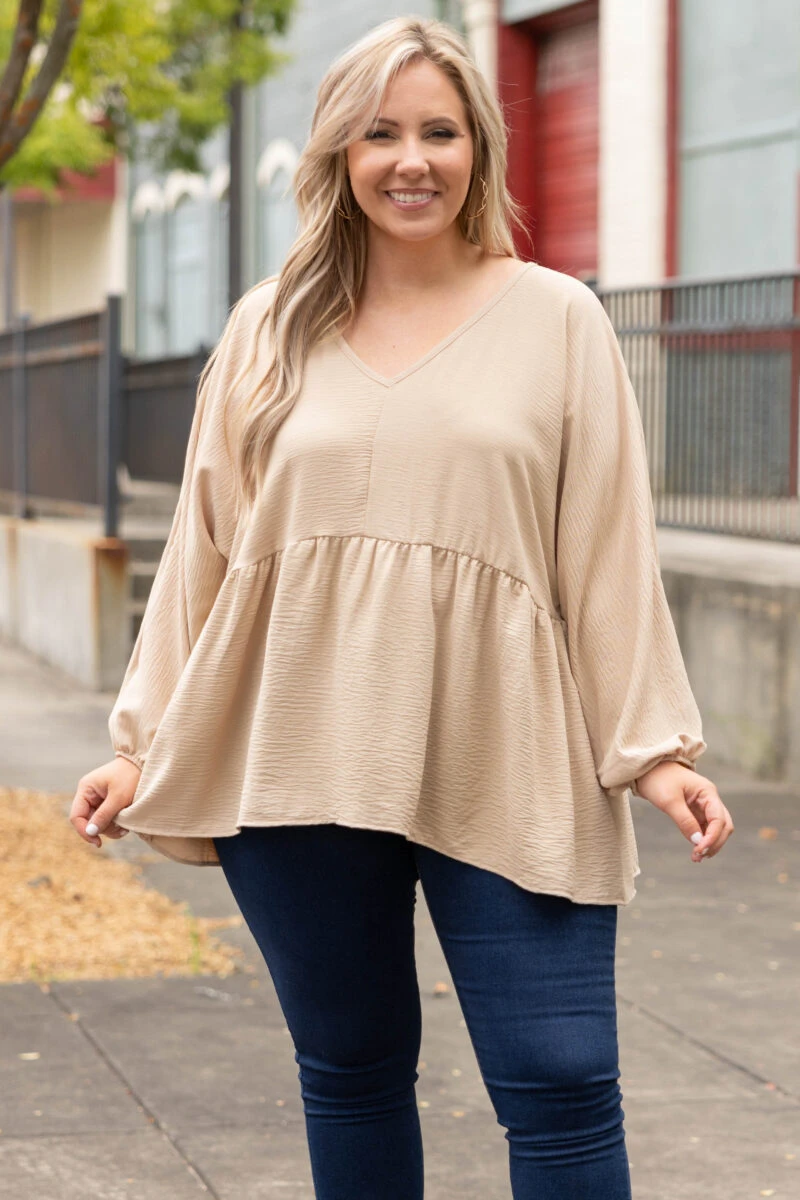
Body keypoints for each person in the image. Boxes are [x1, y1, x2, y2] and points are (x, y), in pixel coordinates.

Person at [70, 15, 734, 1200]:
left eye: (439, 131)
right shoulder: (269, 325)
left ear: (479, 148)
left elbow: (605, 549)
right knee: (351, 1072)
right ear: (339, 150)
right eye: (379, 133)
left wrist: (652, 752)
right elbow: (205, 552)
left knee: (563, 1085)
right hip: (297, 750)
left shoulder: (558, 318)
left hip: (507, 745)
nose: (410, 160)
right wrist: (140, 742)